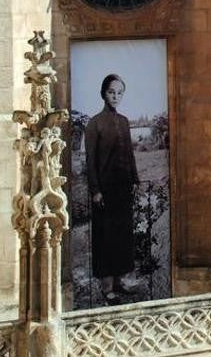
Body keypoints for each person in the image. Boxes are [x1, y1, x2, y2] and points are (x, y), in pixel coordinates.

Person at [85, 74, 140, 305]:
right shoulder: (94, 123)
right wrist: (96, 190)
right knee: (106, 238)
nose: (115, 96)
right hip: (104, 192)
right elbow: (90, 160)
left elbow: (129, 155)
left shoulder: (125, 122)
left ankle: (120, 283)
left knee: (122, 236)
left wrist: (135, 181)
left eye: (119, 92)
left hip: (123, 189)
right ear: (103, 93)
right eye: (111, 92)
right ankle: (107, 289)